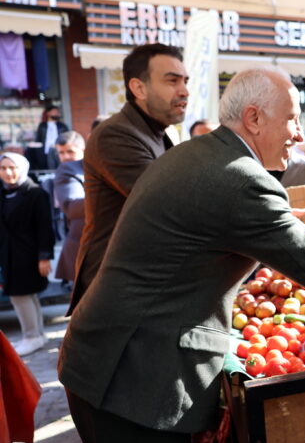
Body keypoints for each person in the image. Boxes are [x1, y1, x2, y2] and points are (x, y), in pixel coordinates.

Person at [58, 67, 305, 443]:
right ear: (254, 118)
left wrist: (273, 233)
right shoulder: (241, 178)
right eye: (292, 118)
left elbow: (202, 241)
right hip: (133, 380)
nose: (299, 134)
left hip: (108, 361)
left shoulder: (199, 153)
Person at [69, 43, 188, 315]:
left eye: (185, 81)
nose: (184, 91)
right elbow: (168, 204)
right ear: (139, 88)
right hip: (114, 291)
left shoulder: (159, 132)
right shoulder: (116, 135)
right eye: (172, 81)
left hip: (142, 284)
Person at [0, 152, 55, 356]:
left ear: (22, 168)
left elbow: (44, 228)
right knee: (23, 294)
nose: (7, 172)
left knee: (21, 294)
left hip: (28, 253)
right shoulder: (3, 193)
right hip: (8, 253)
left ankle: (31, 336)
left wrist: (44, 256)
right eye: (3, 168)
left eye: (12, 167)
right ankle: (38, 335)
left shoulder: (35, 194)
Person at [53, 132, 86, 287]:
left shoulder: (94, 167)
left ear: (83, 149)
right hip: (80, 246)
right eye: (61, 153)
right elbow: (72, 207)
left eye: (70, 151)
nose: (65, 157)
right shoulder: (66, 170)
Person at [26, 105, 69, 171]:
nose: (56, 114)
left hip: (57, 151)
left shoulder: (62, 126)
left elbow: (66, 137)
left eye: (57, 112)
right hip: (45, 152)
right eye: (54, 112)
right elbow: (39, 139)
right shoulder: (42, 126)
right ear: (48, 113)